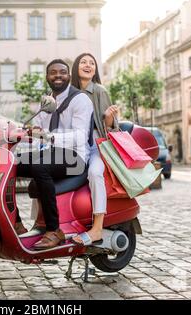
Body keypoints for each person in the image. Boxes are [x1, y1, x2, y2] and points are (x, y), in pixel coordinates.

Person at [14, 59, 94, 250]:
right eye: (53, 72)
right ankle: (15, 222)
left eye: (62, 72)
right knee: (11, 163)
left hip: (76, 157)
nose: (58, 75)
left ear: (69, 76)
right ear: (47, 77)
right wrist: (19, 132)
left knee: (39, 167)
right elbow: (38, 129)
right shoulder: (47, 101)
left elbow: (81, 136)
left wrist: (49, 137)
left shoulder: (80, 99)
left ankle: (54, 230)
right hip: (54, 152)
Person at [70, 53, 119, 246]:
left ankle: (97, 228)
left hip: (95, 145)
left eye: (92, 63)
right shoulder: (69, 92)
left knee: (95, 173)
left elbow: (112, 127)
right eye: (83, 62)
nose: (88, 65)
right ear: (76, 67)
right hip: (72, 144)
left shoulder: (100, 91)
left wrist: (108, 116)